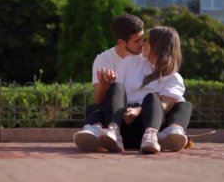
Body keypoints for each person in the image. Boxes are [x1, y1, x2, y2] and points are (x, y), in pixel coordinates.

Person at [73, 14, 192, 153]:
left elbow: (164, 106)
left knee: (172, 103)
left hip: (148, 124)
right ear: (122, 42)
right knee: (100, 102)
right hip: (124, 123)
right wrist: (107, 86)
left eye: (147, 40)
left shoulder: (174, 78)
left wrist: (138, 110)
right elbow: (116, 95)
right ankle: (108, 131)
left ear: (159, 47)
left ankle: (165, 134)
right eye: (140, 40)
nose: (143, 44)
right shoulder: (130, 62)